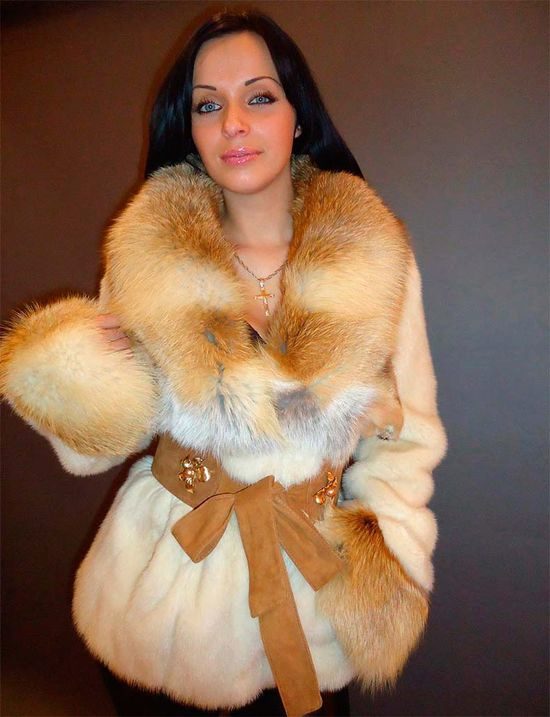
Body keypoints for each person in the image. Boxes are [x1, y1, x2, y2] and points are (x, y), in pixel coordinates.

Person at [0, 9, 447, 717]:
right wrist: (80, 367)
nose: (233, 122)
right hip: (167, 602)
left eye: (259, 97)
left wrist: (388, 553)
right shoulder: (149, 254)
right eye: (208, 105)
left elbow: (409, 438)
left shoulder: (377, 257)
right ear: (191, 129)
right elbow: (91, 452)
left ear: (298, 117)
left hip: (312, 596)